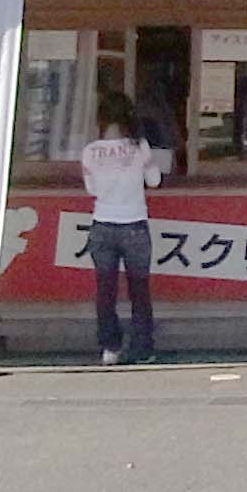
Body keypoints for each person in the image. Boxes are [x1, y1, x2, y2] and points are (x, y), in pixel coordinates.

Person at [78, 90, 166, 365]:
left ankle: (110, 348)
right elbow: (154, 180)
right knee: (139, 291)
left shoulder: (90, 152)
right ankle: (142, 348)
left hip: (103, 224)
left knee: (106, 291)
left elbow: (92, 188)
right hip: (134, 225)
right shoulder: (139, 147)